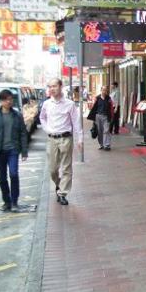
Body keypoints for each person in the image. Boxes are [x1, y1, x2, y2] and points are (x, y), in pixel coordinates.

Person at [0, 89, 28, 212]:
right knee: (2, 178)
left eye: (11, 99)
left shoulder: (17, 115)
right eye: (7, 100)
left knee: (13, 174)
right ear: (1, 101)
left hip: (13, 150)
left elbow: (23, 133)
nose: (9, 102)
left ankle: (14, 201)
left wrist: (24, 151)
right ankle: (6, 201)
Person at [40, 78, 83, 206]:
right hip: (52, 139)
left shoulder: (70, 104)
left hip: (66, 138)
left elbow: (76, 122)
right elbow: (42, 118)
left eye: (54, 86)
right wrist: (47, 129)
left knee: (66, 167)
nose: (52, 89)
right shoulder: (47, 104)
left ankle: (63, 193)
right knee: (53, 169)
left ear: (60, 86)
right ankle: (59, 185)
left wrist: (80, 139)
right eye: (50, 87)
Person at [88, 85, 113, 151]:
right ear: (101, 90)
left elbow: (111, 107)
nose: (104, 91)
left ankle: (106, 145)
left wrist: (111, 116)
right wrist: (93, 118)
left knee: (106, 130)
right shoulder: (97, 98)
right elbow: (93, 108)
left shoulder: (108, 98)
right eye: (103, 90)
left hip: (106, 116)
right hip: (98, 116)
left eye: (106, 90)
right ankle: (101, 144)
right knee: (100, 131)